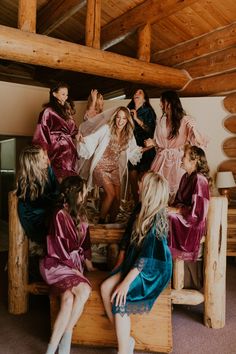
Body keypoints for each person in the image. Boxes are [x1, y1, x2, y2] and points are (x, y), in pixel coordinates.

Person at [100, 171, 172, 354]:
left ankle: (123, 349)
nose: (138, 185)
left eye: (142, 184)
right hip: (135, 261)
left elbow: (147, 258)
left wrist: (125, 283)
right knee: (105, 287)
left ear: (149, 191)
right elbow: (128, 239)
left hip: (151, 269)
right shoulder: (140, 208)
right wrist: (121, 261)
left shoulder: (156, 220)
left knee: (119, 298)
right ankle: (125, 337)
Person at [40, 175, 95, 354]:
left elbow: (85, 244)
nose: (86, 193)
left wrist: (90, 266)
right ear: (75, 192)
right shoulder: (59, 215)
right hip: (56, 264)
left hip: (73, 265)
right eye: (84, 190)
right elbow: (57, 247)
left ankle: (52, 350)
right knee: (84, 290)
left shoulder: (81, 213)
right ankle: (68, 333)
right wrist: (75, 272)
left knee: (68, 300)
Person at [77, 106, 142, 223]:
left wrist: (150, 146)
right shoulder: (107, 128)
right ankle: (101, 222)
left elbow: (134, 150)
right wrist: (82, 140)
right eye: (118, 117)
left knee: (117, 198)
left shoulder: (128, 134)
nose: (120, 121)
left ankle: (111, 223)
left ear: (127, 120)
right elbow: (93, 138)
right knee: (111, 194)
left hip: (114, 167)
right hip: (101, 165)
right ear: (114, 117)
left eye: (123, 118)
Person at [145, 90, 208, 202]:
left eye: (162, 101)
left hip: (178, 161)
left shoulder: (185, 120)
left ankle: (174, 217)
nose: (160, 104)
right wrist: (152, 143)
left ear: (169, 103)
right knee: (157, 191)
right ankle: (159, 217)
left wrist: (194, 128)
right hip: (161, 160)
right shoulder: (160, 120)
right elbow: (160, 142)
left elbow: (198, 142)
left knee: (176, 193)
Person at [168, 145, 211, 263]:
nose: (181, 159)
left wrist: (177, 210)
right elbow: (177, 201)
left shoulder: (199, 179)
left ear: (194, 161)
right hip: (183, 216)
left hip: (193, 223)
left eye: (184, 156)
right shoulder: (185, 177)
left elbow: (198, 212)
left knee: (168, 217)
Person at [33, 82, 79, 182]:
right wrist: (44, 154)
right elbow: (41, 133)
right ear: (54, 94)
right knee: (57, 177)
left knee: (68, 180)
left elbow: (73, 129)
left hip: (69, 150)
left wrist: (77, 134)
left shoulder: (67, 111)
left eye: (66, 94)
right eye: (63, 94)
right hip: (56, 149)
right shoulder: (47, 111)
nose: (65, 97)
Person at [17, 145, 59, 246]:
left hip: (47, 212)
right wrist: (57, 198)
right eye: (42, 157)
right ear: (34, 163)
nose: (46, 158)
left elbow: (57, 188)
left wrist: (57, 197)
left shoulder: (47, 170)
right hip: (34, 220)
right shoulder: (26, 183)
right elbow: (41, 203)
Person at [127, 88, 156, 203]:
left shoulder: (149, 111)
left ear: (144, 99)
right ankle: (136, 205)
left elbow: (151, 131)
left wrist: (136, 119)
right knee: (132, 179)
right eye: (135, 92)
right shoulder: (128, 110)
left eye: (140, 93)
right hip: (132, 150)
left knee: (143, 181)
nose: (136, 94)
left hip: (146, 149)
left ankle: (145, 205)